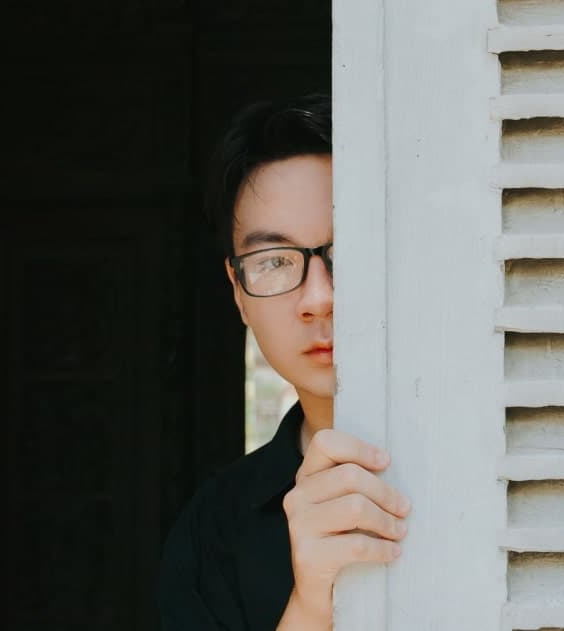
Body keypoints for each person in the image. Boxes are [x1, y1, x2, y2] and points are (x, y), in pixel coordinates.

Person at [158, 94, 412, 630]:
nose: (319, 298)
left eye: (349, 252)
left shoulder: (513, 466)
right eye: (273, 261)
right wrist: (311, 605)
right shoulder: (211, 531)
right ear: (238, 292)